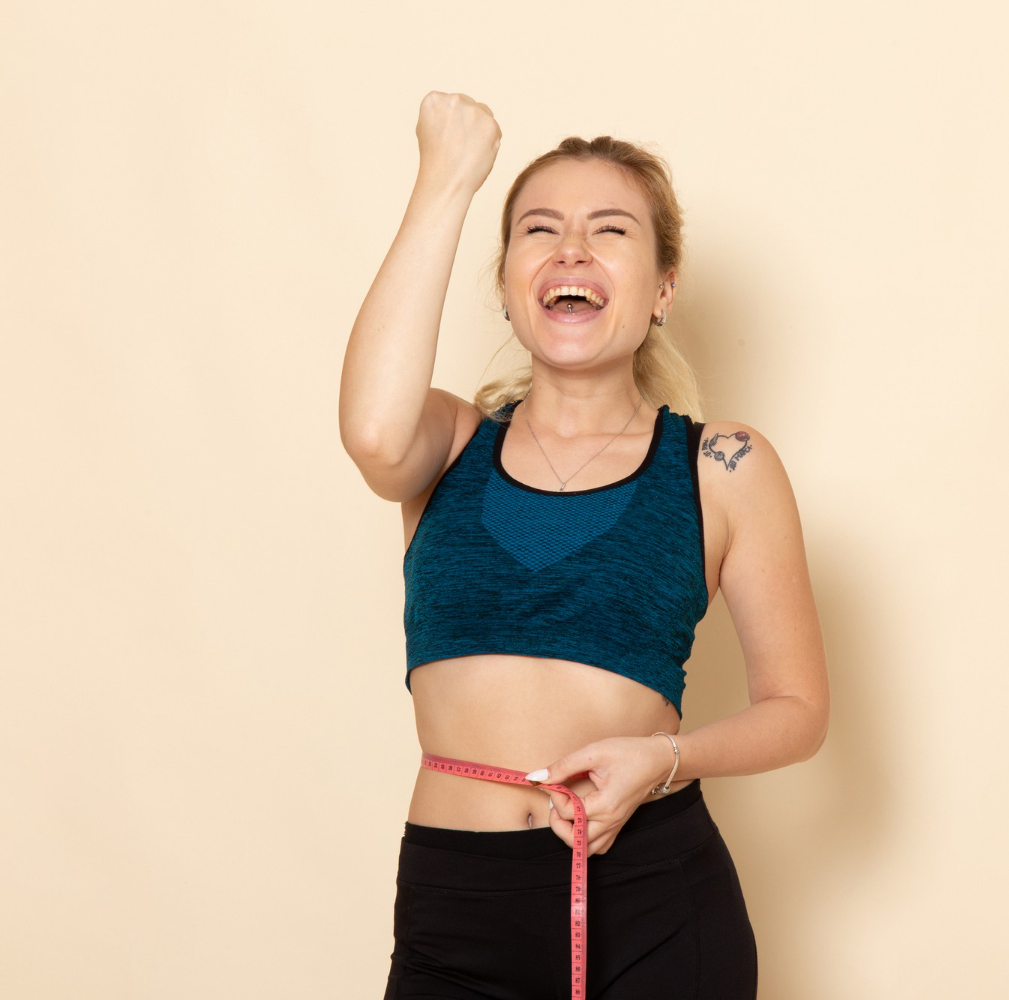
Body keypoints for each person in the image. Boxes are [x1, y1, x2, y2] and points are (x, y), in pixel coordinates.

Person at [339, 91, 829, 1000]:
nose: (571, 249)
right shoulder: (447, 445)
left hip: (654, 900)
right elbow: (371, 432)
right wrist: (446, 178)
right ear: (506, 286)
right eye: (539, 229)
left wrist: (665, 760)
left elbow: (798, 709)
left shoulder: (721, 465)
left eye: (610, 230)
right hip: (454, 907)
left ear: (663, 289)